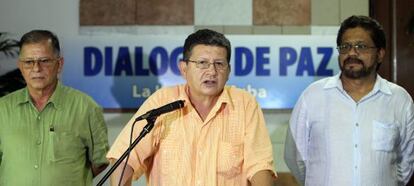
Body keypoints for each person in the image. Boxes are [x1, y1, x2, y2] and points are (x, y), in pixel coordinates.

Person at [106, 29, 276, 186]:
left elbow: (260, 166)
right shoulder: (162, 102)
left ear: (228, 70)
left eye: (219, 64)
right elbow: (124, 159)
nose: (211, 71)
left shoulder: (245, 105)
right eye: (202, 63)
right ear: (184, 68)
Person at [284, 15, 414, 186]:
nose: (352, 53)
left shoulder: (399, 100)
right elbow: (295, 157)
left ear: (380, 54)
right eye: (345, 47)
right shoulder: (313, 96)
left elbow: (405, 164)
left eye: (361, 46)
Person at [0, 30, 110, 185]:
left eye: (44, 61)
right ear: (20, 66)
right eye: (29, 62)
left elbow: (101, 160)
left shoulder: (86, 107)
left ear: (60, 64)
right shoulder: (2, 109)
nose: (36, 68)